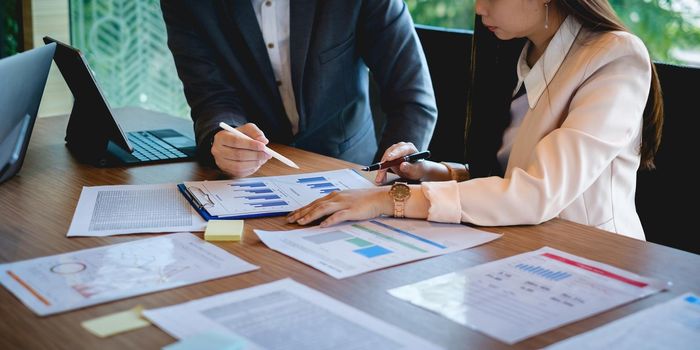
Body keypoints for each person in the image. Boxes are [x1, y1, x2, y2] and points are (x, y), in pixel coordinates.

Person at [287, 0, 664, 241]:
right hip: (518, 246)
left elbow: (537, 192)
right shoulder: (519, 51)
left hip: (593, 261)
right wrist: (435, 173)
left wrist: (389, 198)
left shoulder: (613, 56)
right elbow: (507, 172)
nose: (479, 8)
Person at [160, 0, 437, 177]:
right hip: (254, 179)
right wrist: (222, 138)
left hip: (350, 168)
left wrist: (386, 181)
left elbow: (412, 99)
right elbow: (211, 95)